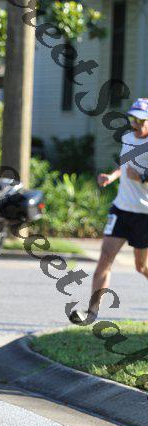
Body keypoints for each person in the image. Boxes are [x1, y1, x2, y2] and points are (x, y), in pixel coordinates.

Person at [69, 98, 148, 325]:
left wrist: (142, 178)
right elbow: (124, 164)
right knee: (105, 259)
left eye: (141, 120)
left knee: (141, 266)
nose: (136, 124)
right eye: (133, 119)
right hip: (121, 209)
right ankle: (91, 313)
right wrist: (111, 176)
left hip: (144, 214)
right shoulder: (128, 138)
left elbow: (139, 174)